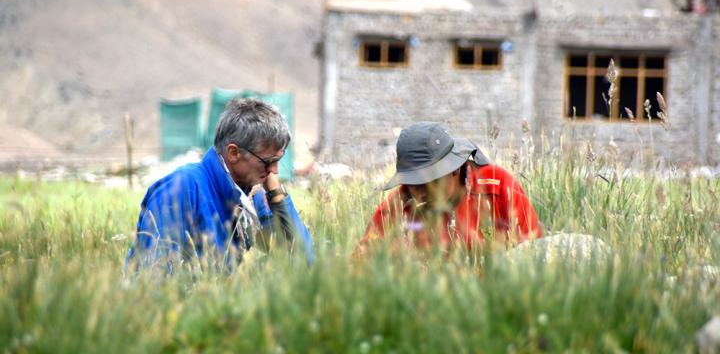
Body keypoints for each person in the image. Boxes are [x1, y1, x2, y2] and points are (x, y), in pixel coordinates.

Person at [126, 98, 314, 271]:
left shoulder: (250, 195)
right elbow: (153, 278)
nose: (275, 170)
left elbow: (303, 260)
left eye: (278, 160)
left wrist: (276, 195)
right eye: (267, 161)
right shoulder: (181, 189)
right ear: (233, 153)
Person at [358, 122, 543, 254]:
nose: (419, 192)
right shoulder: (399, 202)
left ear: (454, 169)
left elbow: (533, 251)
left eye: (429, 181)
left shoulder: (497, 184)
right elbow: (359, 263)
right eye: (413, 182)